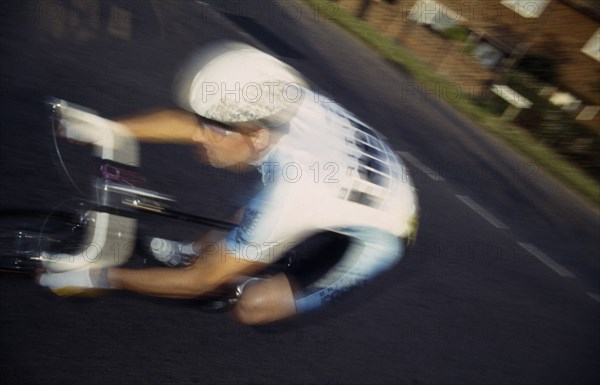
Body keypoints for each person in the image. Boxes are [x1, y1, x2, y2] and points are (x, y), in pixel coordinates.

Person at [39, 41, 418, 325]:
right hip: (345, 173)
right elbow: (196, 124)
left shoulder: (293, 190)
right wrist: (111, 128)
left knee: (253, 306)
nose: (200, 136)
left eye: (214, 131)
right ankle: (205, 251)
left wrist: (99, 277)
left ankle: (238, 267)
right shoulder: (277, 99)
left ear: (254, 135)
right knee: (249, 218)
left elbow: (198, 283)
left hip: (382, 229)